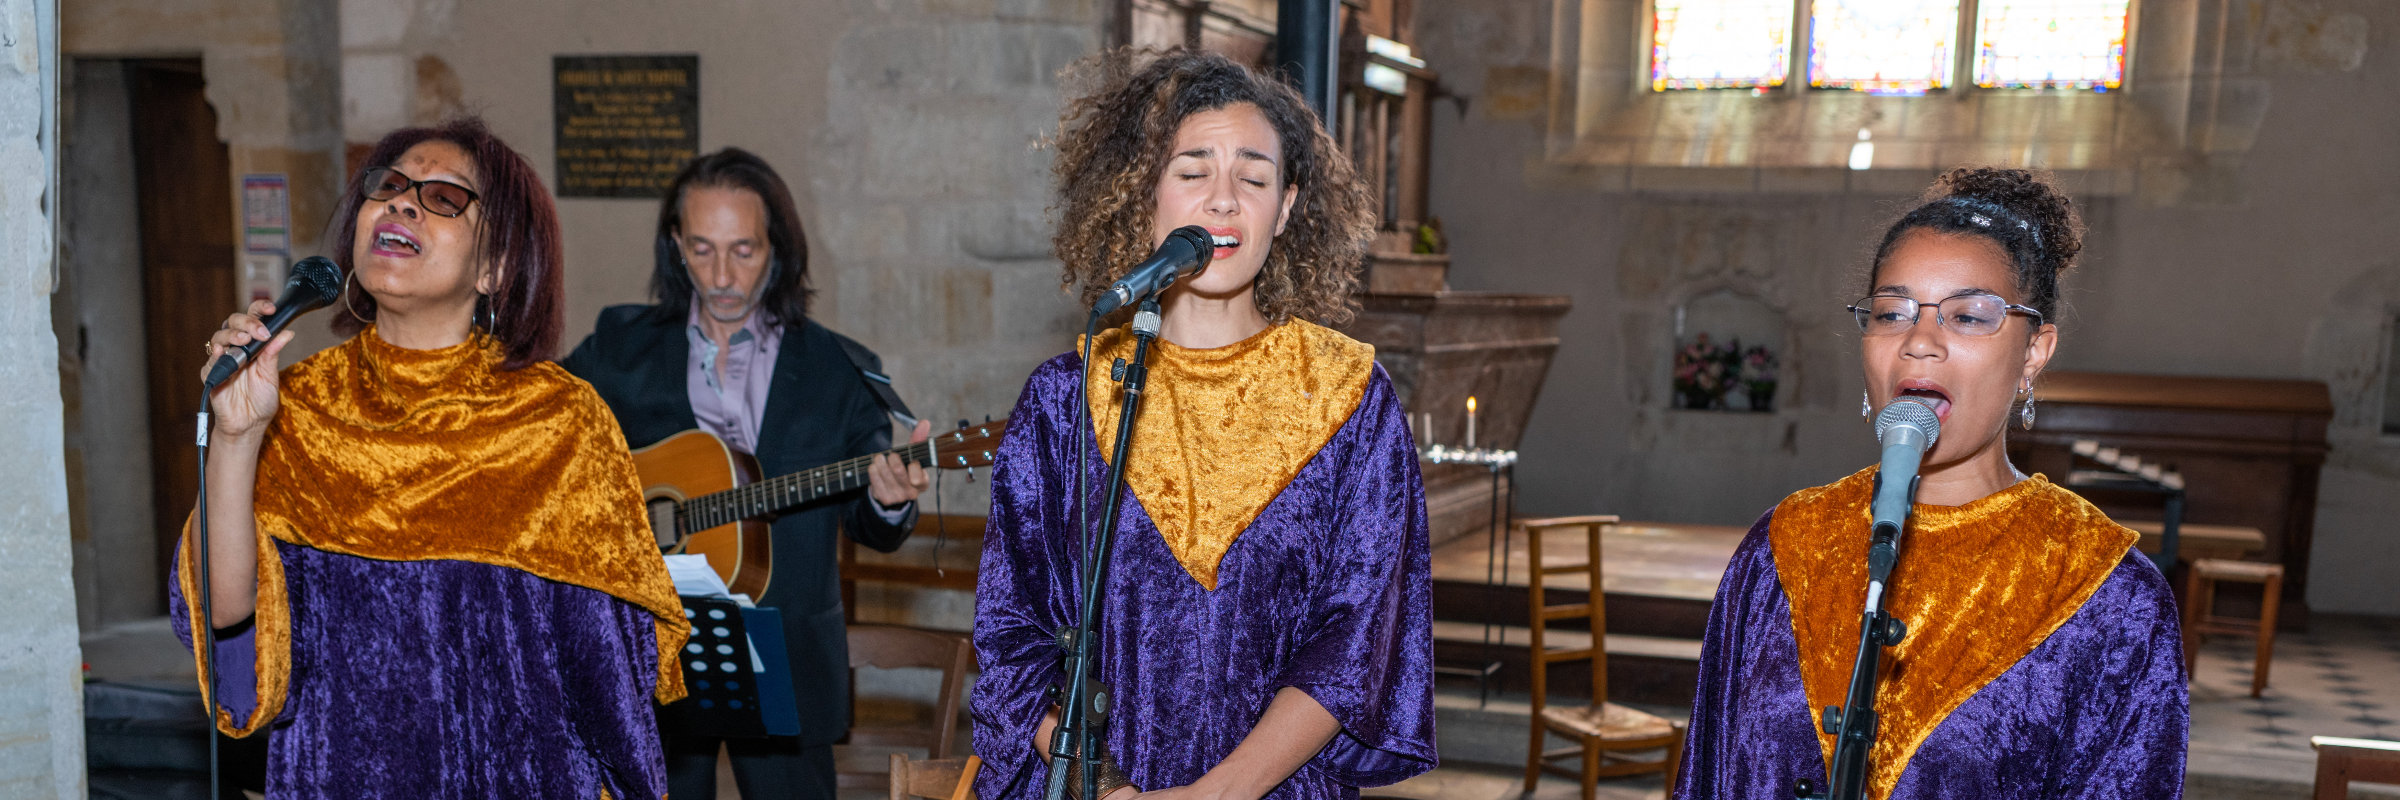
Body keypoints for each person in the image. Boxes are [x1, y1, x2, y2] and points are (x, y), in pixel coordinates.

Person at [971, 49, 1437, 800]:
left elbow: (1356, 647)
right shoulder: (1065, 399)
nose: (1223, 201)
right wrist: (1107, 786)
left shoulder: (1350, 399)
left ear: (1284, 208)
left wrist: (1211, 796)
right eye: (1192, 171)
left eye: (1252, 178)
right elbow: (1012, 635)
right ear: (1143, 196)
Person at [180, 117, 685, 798]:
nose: (401, 202)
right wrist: (238, 439)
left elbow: (610, 691)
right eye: (388, 186)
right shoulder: (295, 406)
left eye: (444, 197)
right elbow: (230, 629)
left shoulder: (559, 422)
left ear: (495, 266)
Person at [1673, 168, 2188, 799]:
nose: (1919, 341)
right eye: (1891, 313)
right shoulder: (1784, 548)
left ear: (2034, 352)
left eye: (1969, 317)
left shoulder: (2107, 595)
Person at [561, 147, 933, 800]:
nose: (723, 275)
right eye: (702, 249)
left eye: (744, 251)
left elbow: (871, 526)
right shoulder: (621, 349)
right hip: (651, 649)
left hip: (788, 657)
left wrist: (891, 501)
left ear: (778, 250)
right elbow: (546, 437)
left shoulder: (838, 370)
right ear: (675, 245)